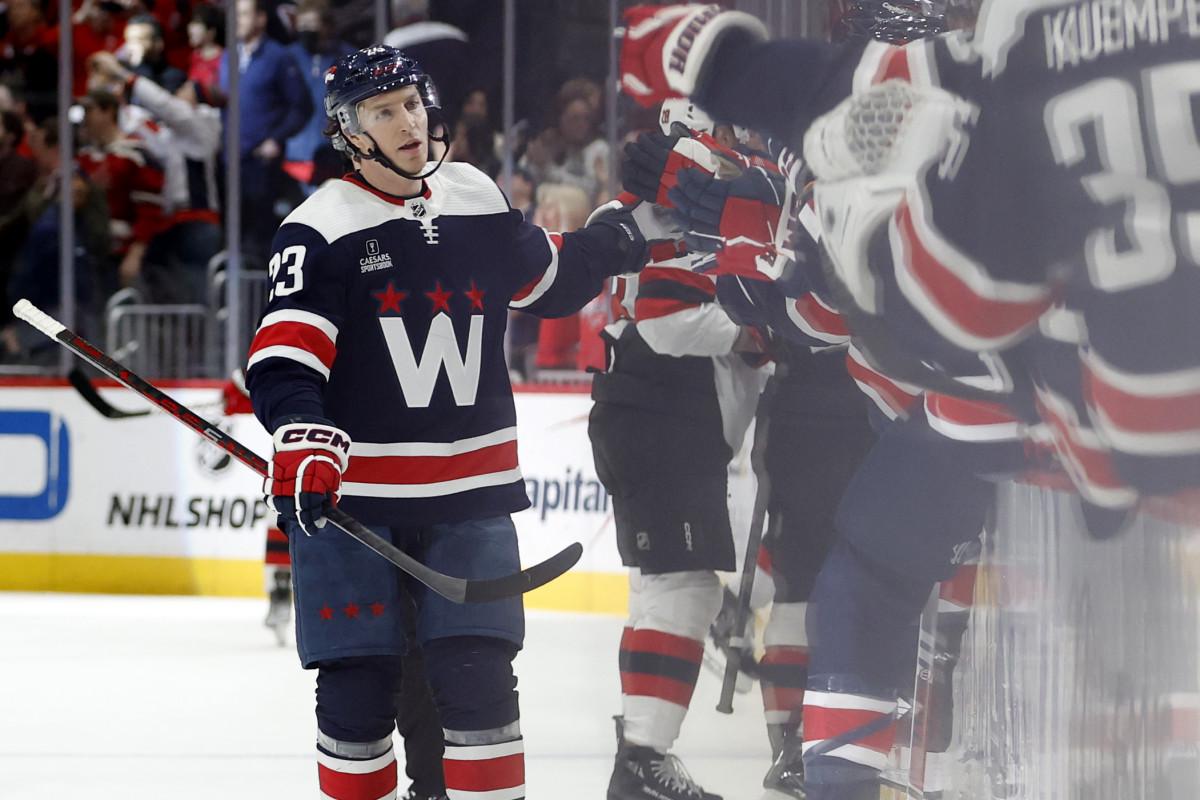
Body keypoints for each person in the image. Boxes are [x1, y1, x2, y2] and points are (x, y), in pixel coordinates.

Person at [616, 3, 1200, 799]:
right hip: (1145, 426)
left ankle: (855, 758)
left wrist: (791, 245)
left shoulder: (1007, 48)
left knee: (869, 575)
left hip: (997, 405)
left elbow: (941, 302)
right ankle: (938, 664)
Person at [243, 44, 659, 800]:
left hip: (472, 499)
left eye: (411, 103)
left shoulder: (472, 192)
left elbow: (549, 279)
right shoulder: (318, 229)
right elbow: (284, 361)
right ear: (349, 132)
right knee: (358, 702)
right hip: (354, 511)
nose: (407, 122)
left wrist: (626, 231)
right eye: (383, 112)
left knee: (482, 692)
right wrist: (301, 434)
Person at [221, 0, 312, 264]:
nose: (238, 21)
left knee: (258, 242)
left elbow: (302, 106)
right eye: (235, 15)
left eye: (244, 15)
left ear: (261, 19)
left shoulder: (279, 57)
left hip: (261, 165)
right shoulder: (229, 56)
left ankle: (262, 300)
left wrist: (276, 139)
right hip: (229, 164)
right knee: (232, 238)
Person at [282, 0, 357, 194]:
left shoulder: (346, 58)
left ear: (328, 26)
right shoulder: (288, 57)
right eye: (302, 24)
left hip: (333, 156)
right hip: (293, 157)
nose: (307, 30)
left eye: (312, 24)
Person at [117, 13, 187, 95]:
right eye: (129, 40)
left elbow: (156, 100)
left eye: (140, 40)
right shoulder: (124, 71)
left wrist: (135, 66)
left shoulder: (174, 77)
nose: (132, 46)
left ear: (159, 44)